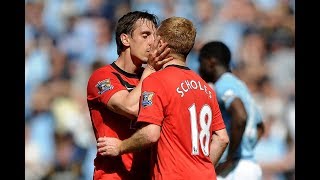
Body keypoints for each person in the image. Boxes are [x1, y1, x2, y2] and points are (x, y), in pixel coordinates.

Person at [97, 17, 230, 180]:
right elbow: (222, 138)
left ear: (160, 42)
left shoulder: (157, 80)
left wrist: (120, 146)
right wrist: (202, 171)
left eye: (154, 37)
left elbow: (151, 134)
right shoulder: (205, 88)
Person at [86, 11, 173, 180]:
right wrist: (151, 69)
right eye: (145, 35)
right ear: (125, 39)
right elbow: (131, 107)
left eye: (155, 37)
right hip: (114, 175)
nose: (152, 43)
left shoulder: (153, 76)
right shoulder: (102, 77)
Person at [198, 41, 265, 180]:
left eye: (201, 62)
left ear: (211, 62)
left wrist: (229, 158)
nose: (199, 68)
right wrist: (247, 149)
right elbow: (260, 127)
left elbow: (240, 116)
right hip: (249, 166)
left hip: (236, 169)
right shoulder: (240, 86)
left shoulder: (224, 83)